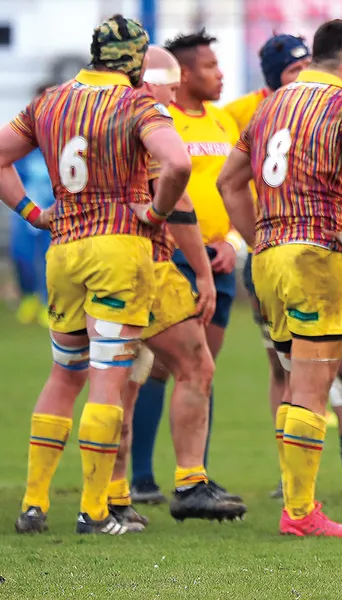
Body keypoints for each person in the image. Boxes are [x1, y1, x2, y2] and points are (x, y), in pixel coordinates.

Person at [0, 14, 191, 535]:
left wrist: (33, 214)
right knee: (108, 381)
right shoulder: (136, 103)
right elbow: (177, 164)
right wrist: (154, 215)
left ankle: (34, 503)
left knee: (64, 375)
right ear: (134, 59)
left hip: (62, 251)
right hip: (118, 252)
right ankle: (94, 510)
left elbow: (0, 155)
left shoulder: (50, 101)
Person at [217, 18, 342, 537]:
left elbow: (230, 182)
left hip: (268, 260)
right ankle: (299, 513)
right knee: (314, 389)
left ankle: (299, 504)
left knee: (296, 382)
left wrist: (260, 239)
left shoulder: (269, 105)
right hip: (318, 256)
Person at [105, 46, 247, 530]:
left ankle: (106, 495)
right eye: (209, 66)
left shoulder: (223, 120)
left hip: (92, 257)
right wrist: (179, 242)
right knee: (158, 369)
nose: (219, 74)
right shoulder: (149, 118)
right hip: (153, 260)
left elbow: (232, 185)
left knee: (125, 373)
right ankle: (151, 483)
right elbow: (179, 185)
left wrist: (231, 241)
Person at [9, 83, 57, 328]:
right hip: (26, 210)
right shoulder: (22, 140)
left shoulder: (62, 139)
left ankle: (50, 303)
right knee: (22, 255)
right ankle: (29, 297)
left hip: (56, 211)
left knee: (52, 259)